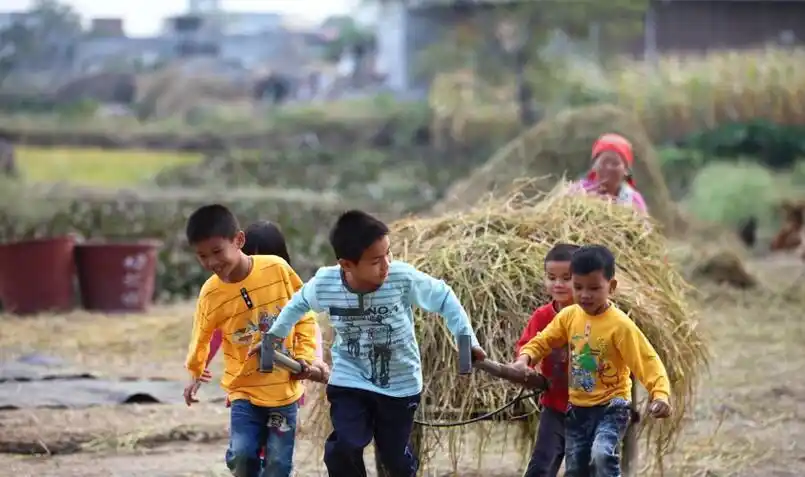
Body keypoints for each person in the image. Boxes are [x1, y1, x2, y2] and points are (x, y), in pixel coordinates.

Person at [260, 209, 487, 477]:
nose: (386, 265)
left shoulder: (401, 278)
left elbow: (445, 298)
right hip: (350, 379)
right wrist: (273, 338)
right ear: (347, 265)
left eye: (388, 254)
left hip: (399, 384)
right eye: (376, 261)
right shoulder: (326, 283)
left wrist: (466, 340)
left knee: (395, 458)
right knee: (344, 446)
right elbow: (297, 304)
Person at [182, 204, 324, 477]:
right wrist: (195, 372)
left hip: (283, 390)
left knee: (278, 463)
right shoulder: (211, 293)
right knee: (243, 455)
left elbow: (305, 315)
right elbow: (202, 335)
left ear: (239, 241)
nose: (211, 262)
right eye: (202, 256)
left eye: (217, 252)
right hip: (243, 390)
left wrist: (307, 357)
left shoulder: (277, 269)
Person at [509, 245, 671, 477]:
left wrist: (660, 394)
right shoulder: (569, 316)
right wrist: (524, 359)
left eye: (594, 288)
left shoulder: (620, 325)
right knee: (577, 470)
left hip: (612, 406)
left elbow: (646, 360)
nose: (585, 295)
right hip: (577, 409)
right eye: (578, 287)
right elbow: (543, 340)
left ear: (611, 287)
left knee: (602, 455)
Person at [201, 220, 326, 408]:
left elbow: (308, 324)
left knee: (280, 425)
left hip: (284, 382)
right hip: (246, 384)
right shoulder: (232, 296)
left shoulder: (288, 291)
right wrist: (200, 366)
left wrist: (315, 359)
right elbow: (216, 331)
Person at [516, 243, 579, 477]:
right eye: (552, 278)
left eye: (566, 278)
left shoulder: (593, 315)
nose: (558, 284)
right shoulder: (542, 316)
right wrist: (524, 365)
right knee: (541, 465)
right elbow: (528, 345)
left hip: (589, 409)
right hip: (554, 404)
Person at [572, 133, 647, 215]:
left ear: (626, 171)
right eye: (603, 162)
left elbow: (644, 222)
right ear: (594, 166)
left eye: (615, 163)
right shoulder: (579, 191)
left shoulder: (633, 200)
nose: (608, 167)